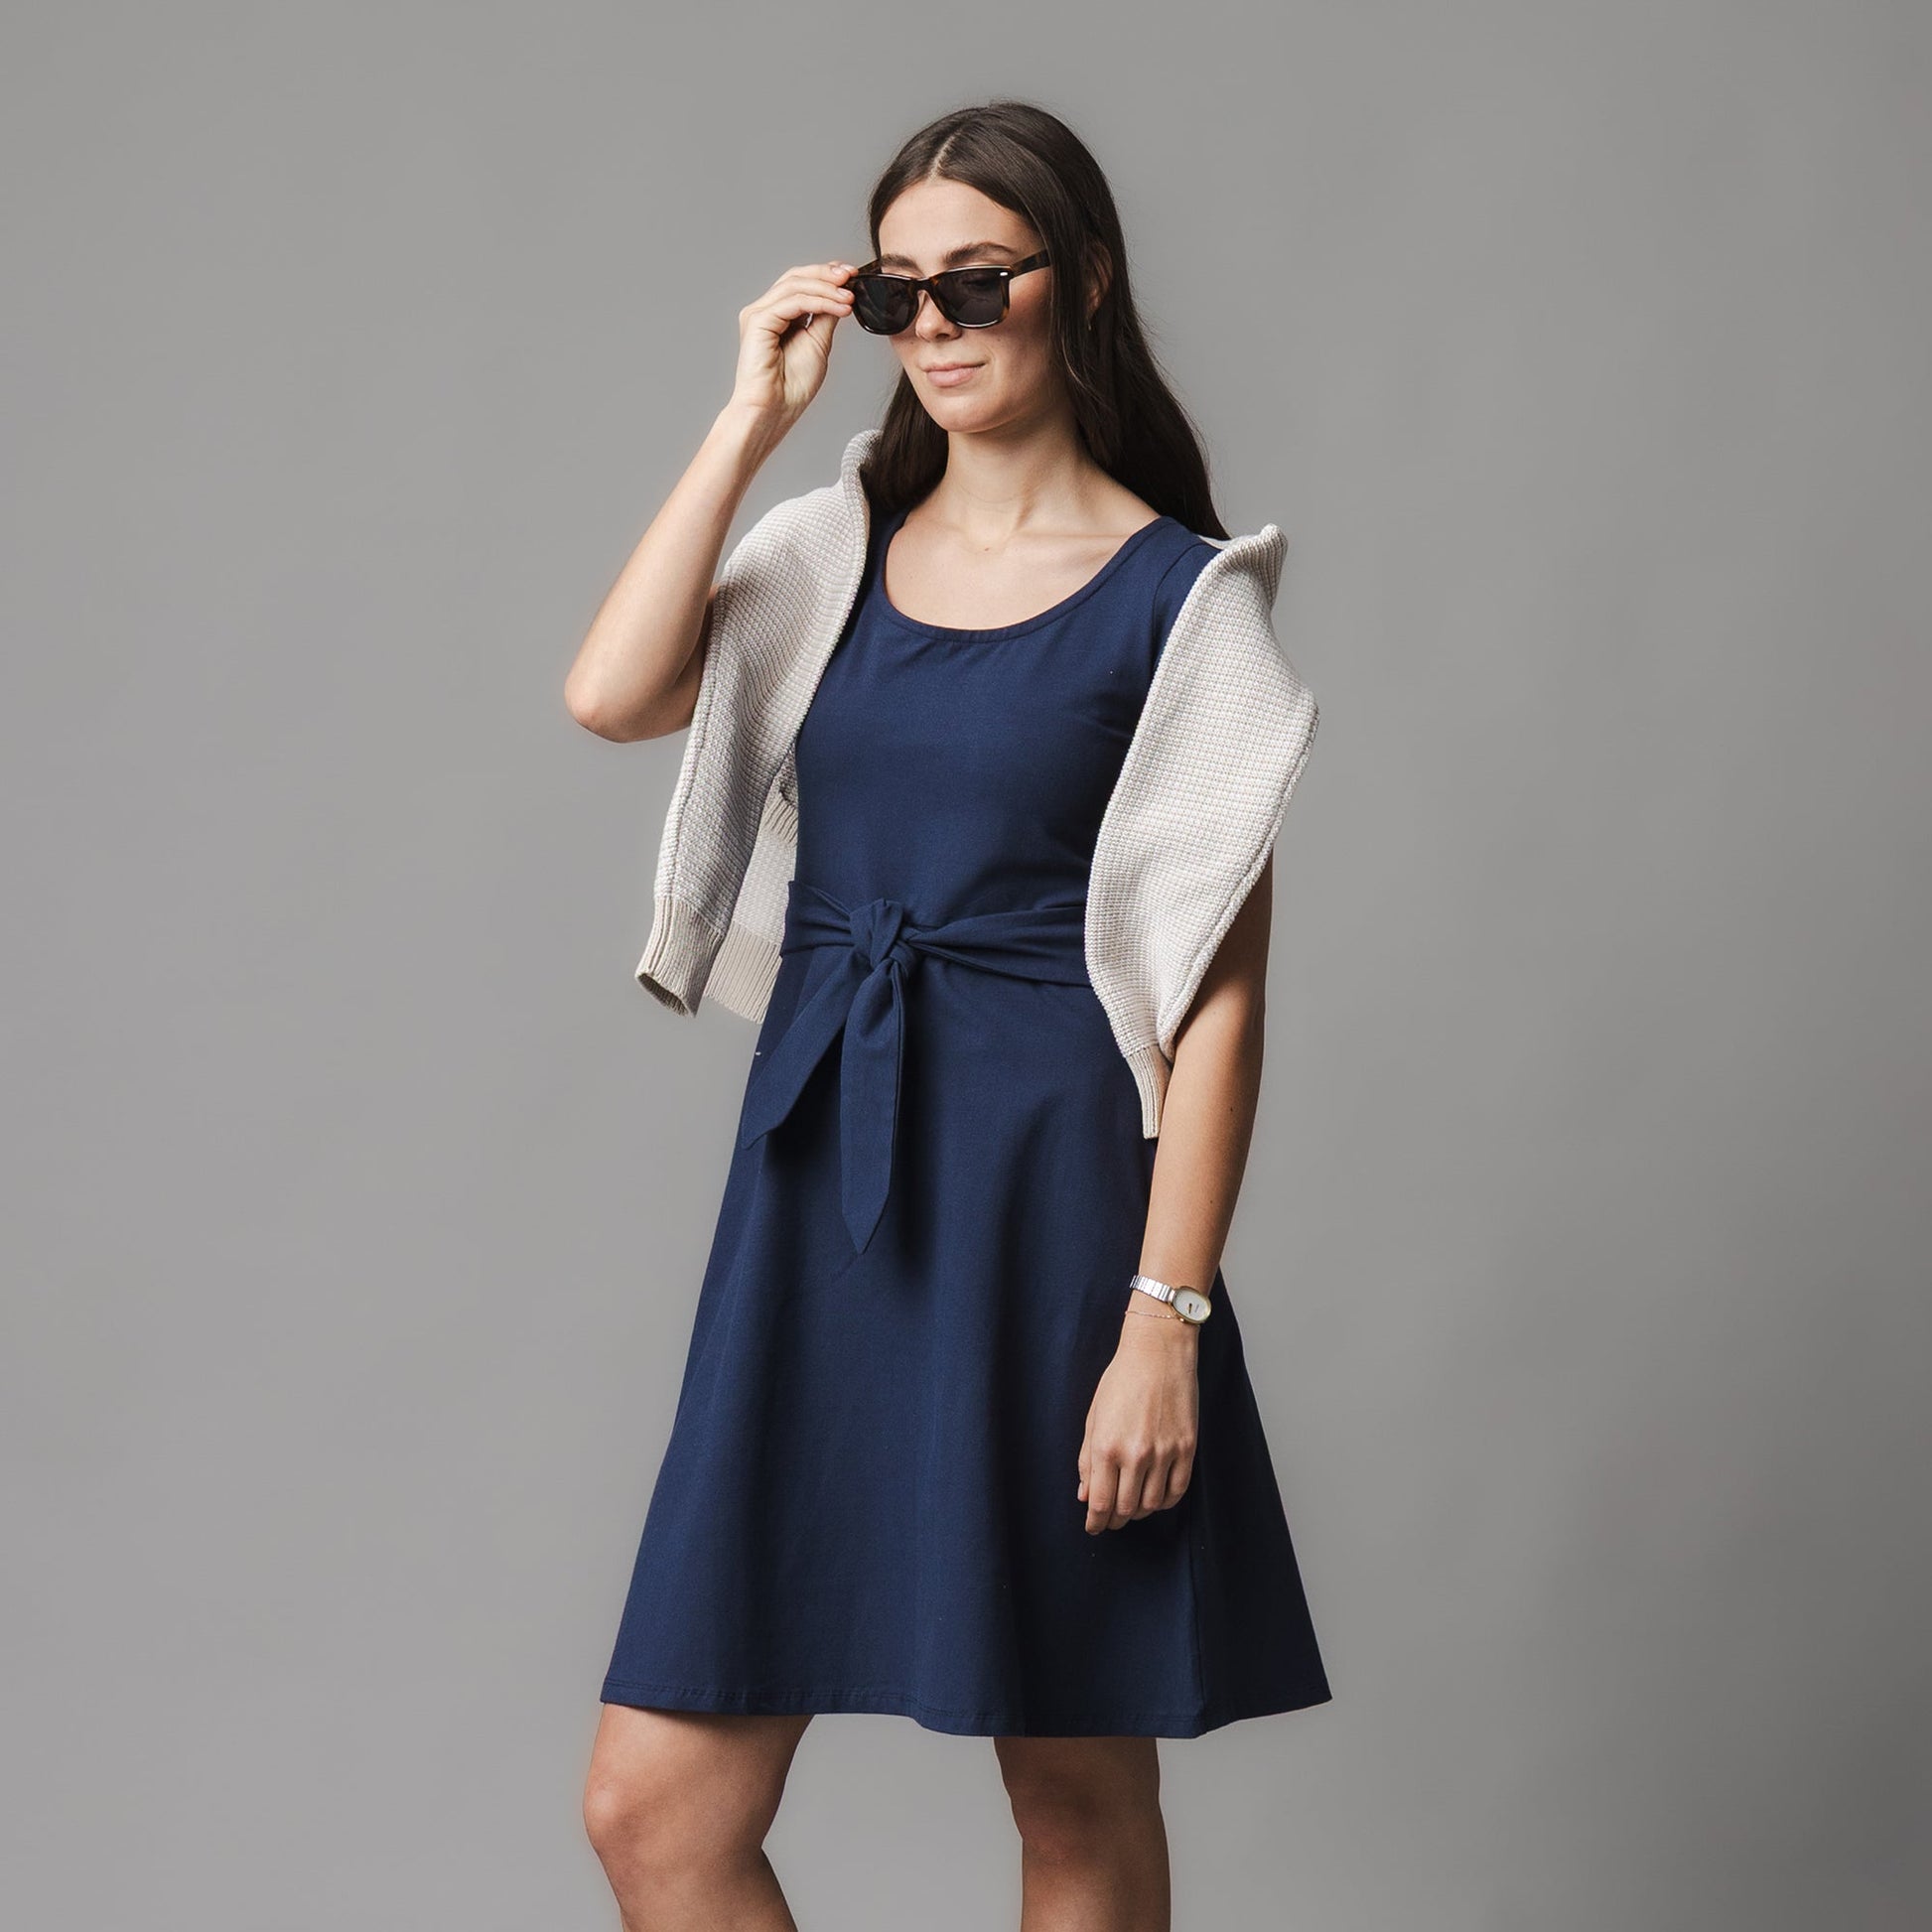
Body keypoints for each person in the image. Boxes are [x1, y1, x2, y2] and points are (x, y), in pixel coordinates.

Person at [565, 98, 1329, 1932]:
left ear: (1083, 283)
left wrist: (1162, 1321)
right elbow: (613, 692)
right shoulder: (828, 547)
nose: (933, 325)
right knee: (652, 1809)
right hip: (817, 1188)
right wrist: (749, 418)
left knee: (1070, 1783)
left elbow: (1218, 1004)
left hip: (1053, 1210)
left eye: (975, 280)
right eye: (894, 292)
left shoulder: (1181, 607)